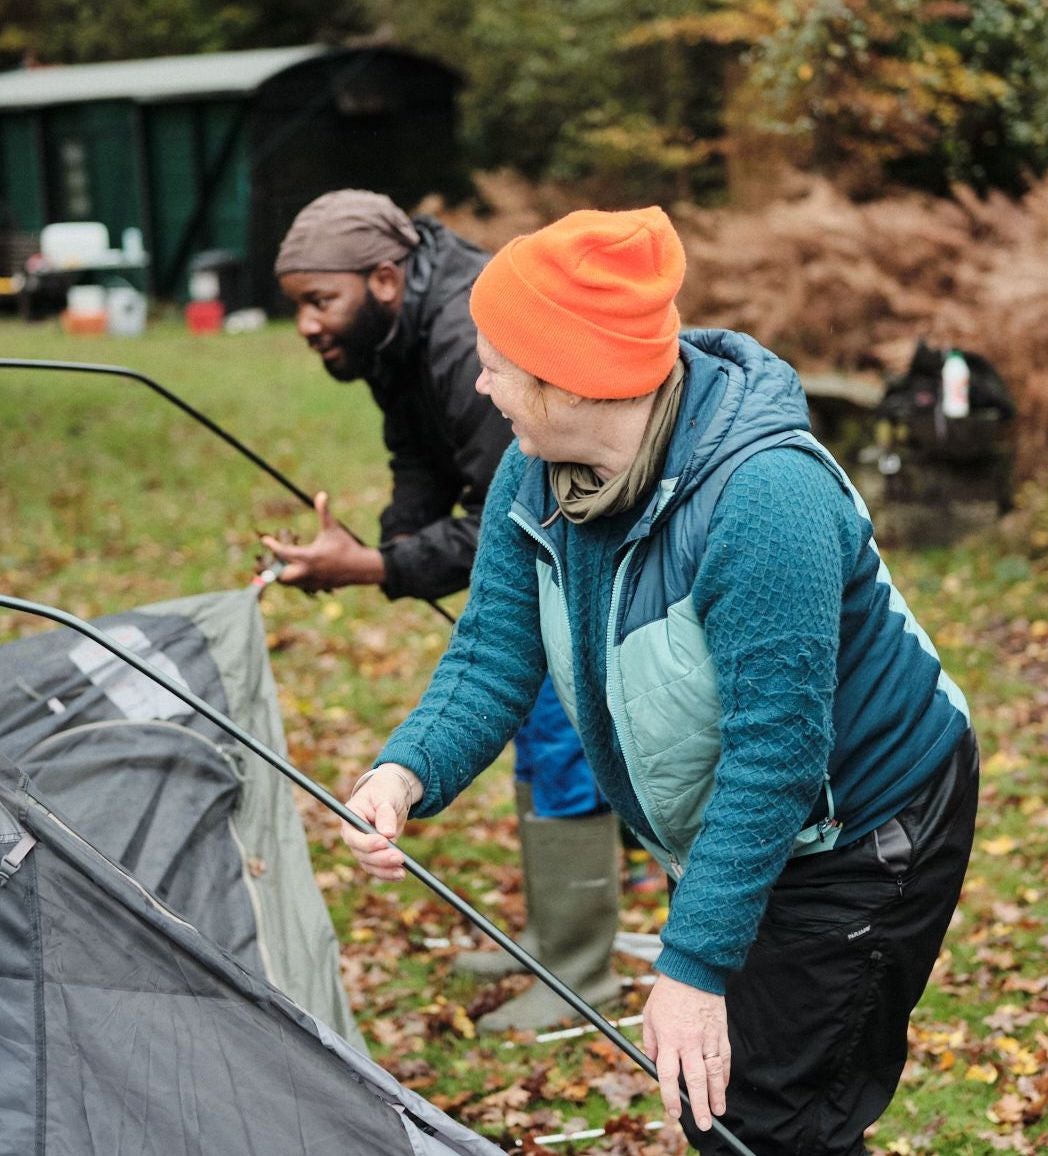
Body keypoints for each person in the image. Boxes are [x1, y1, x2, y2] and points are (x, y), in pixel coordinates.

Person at [338, 206, 978, 1154]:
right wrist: (405, 773)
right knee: (719, 1104)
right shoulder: (533, 472)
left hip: (868, 829)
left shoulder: (764, 497)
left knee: (767, 1117)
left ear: (577, 379)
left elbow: (779, 754)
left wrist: (694, 964)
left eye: (498, 364)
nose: (478, 383)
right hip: (754, 813)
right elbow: (492, 654)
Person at [266, 190, 623, 1031]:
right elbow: (420, 460)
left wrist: (380, 566)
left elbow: (518, 515)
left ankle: (583, 973)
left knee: (558, 733)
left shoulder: (468, 337)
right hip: (536, 544)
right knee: (530, 732)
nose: (309, 326)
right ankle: (547, 936)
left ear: (385, 278)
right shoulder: (397, 334)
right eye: (300, 306)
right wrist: (390, 547)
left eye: (322, 302)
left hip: (580, 549)